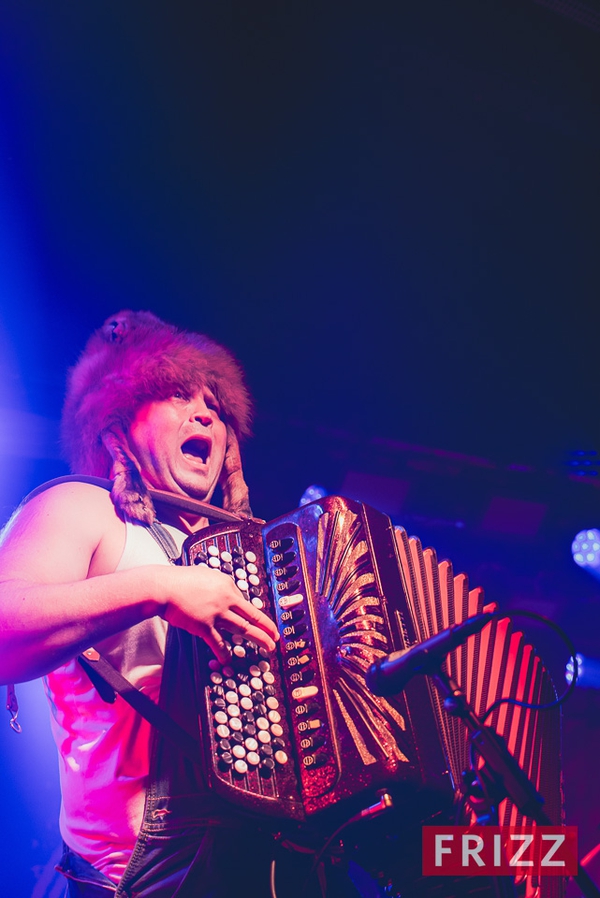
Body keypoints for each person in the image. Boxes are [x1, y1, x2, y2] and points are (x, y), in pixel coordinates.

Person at [0, 311, 361, 898]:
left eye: (216, 406)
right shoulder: (83, 508)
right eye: (176, 394)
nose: (205, 414)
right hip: (143, 881)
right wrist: (162, 587)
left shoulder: (262, 558)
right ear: (116, 424)